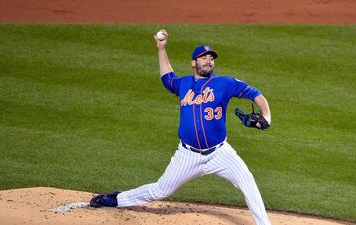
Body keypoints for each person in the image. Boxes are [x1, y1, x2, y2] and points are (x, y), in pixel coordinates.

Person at [90, 29, 272, 225]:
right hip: (187, 155)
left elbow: (255, 94)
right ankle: (117, 199)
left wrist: (266, 116)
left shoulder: (224, 83)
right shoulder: (183, 84)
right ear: (193, 63)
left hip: (220, 153)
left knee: (247, 181)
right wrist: (161, 48)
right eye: (203, 57)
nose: (208, 61)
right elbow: (167, 77)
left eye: (211, 58)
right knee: (160, 190)